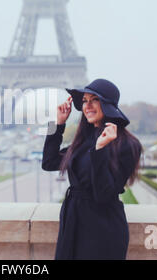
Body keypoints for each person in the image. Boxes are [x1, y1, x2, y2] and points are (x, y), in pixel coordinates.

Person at [42, 79, 142, 260]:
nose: (87, 106)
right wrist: (56, 124)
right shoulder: (83, 141)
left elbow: (104, 194)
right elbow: (48, 162)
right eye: (85, 100)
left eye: (94, 99)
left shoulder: (128, 145)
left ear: (107, 104)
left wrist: (100, 150)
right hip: (73, 223)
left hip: (102, 229)